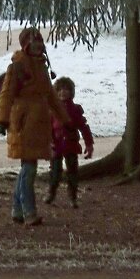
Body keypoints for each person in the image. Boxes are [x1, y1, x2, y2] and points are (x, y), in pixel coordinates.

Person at [0, 26, 70, 226]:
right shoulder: (18, 66)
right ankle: (28, 212)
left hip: (38, 125)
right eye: (33, 43)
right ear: (26, 45)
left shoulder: (41, 67)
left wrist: (65, 119)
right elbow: (6, 94)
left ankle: (17, 210)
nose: (37, 46)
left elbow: (51, 96)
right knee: (29, 169)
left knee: (28, 168)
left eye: (39, 43)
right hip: (24, 124)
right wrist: (3, 119)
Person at [46, 76, 94, 208]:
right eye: (60, 90)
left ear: (71, 92)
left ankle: (73, 196)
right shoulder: (51, 110)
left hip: (71, 145)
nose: (63, 92)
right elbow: (47, 127)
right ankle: (51, 193)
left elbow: (84, 127)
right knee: (55, 172)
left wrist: (89, 144)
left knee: (72, 171)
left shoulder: (75, 109)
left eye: (66, 89)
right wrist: (49, 142)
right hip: (56, 145)